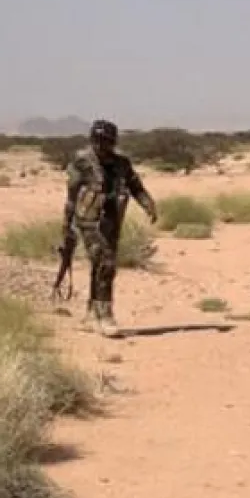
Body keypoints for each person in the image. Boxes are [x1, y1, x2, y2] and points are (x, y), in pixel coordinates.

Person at [62, 119, 158, 337]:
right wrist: (66, 226)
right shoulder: (82, 162)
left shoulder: (122, 163)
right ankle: (105, 315)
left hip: (113, 220)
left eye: (105, 141)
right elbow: (71, 197)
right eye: (97, 140)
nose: (100, 145)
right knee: (106, 263)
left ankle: (90, 312)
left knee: (100, 265)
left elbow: (135, 186)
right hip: (88, 221)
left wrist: (148, 204)